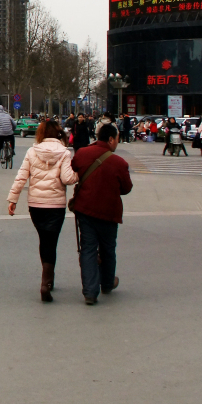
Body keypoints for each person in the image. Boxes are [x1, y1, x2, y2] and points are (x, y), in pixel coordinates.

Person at [7, 119, 78, 302]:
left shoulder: (32, 151)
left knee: (43, 239)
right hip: (55, 205)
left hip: (36, 204)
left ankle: (47, 280)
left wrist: (13, 199)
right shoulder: (64, 153)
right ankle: (46, 282)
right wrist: (79, 174)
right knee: (51, 241)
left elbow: (21, 176)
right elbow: (67, 178)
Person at [70, 123, 133, 305]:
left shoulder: (82, 153)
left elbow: (74, 170)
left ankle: (90, 292)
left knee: (88, 248)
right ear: (111, 139)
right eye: (117, 140)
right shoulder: (119, 163)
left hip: (86, 210)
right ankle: (106, 283)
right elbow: (126, 188)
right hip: (108, 212)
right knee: (108, 248)